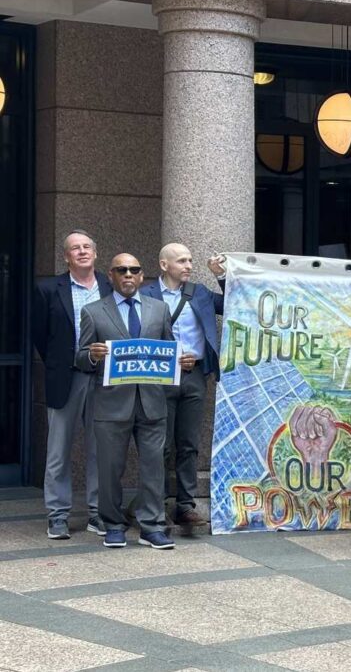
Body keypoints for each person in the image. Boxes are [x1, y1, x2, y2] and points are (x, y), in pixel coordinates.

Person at [76, 253, 189, 550]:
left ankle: (151, 527)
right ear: (111, 276)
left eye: (134, 270)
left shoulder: (159, 309)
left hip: (152, 402)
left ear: (142, 277)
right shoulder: (93, 311)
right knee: (110, 469)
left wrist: (182, 361)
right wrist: (92, 355)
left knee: (154, 467)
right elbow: (80, 357)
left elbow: (167, 349)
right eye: (121, 270)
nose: (128, 274)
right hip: (111, 405)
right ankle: (113, 524)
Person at [138, 243, 225, 533]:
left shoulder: (199, 292)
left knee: (188, 444)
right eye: (181, 261)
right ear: (164, 265)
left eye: (190, 260)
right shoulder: (146, 294)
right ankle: (157, 504)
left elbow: (233, 304)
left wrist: (220, 277)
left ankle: (185, 505)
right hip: (160, 376)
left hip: (195, 375)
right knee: (160, 444)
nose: (188, 265)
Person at [31, 231, 111, 540]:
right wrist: (62, 363)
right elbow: (41, 335)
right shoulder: (48, 289)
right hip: (66, 378)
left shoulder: (110, 286)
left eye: (86, 247)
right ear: (66, 256)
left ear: (95, 252)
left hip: (104, 379)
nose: (81, 252)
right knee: (58, 451)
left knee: (101, 449)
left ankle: (97, 512)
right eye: (75, 248)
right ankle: (58, 515)